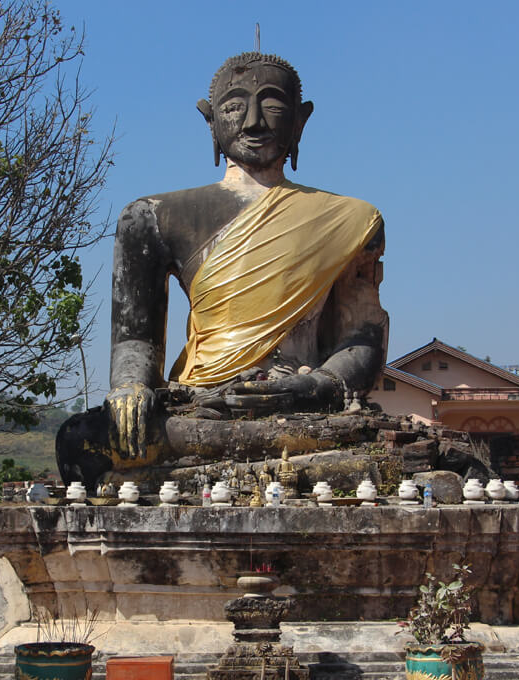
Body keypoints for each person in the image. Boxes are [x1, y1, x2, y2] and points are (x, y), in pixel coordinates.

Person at [57, 52, 389, 485]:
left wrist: (316, 386)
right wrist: (130, 388)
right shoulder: (152, 216)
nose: (253, 122)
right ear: (210, 122)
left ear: (300, 121)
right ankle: (282, 473)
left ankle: (191, 477)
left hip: (297, 405)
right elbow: (136, 339)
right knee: (80, 439)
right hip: (199, 404)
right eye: (234, 106)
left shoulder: (352, 219)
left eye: (272, 104)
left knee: (369, 441)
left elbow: (361, 340)